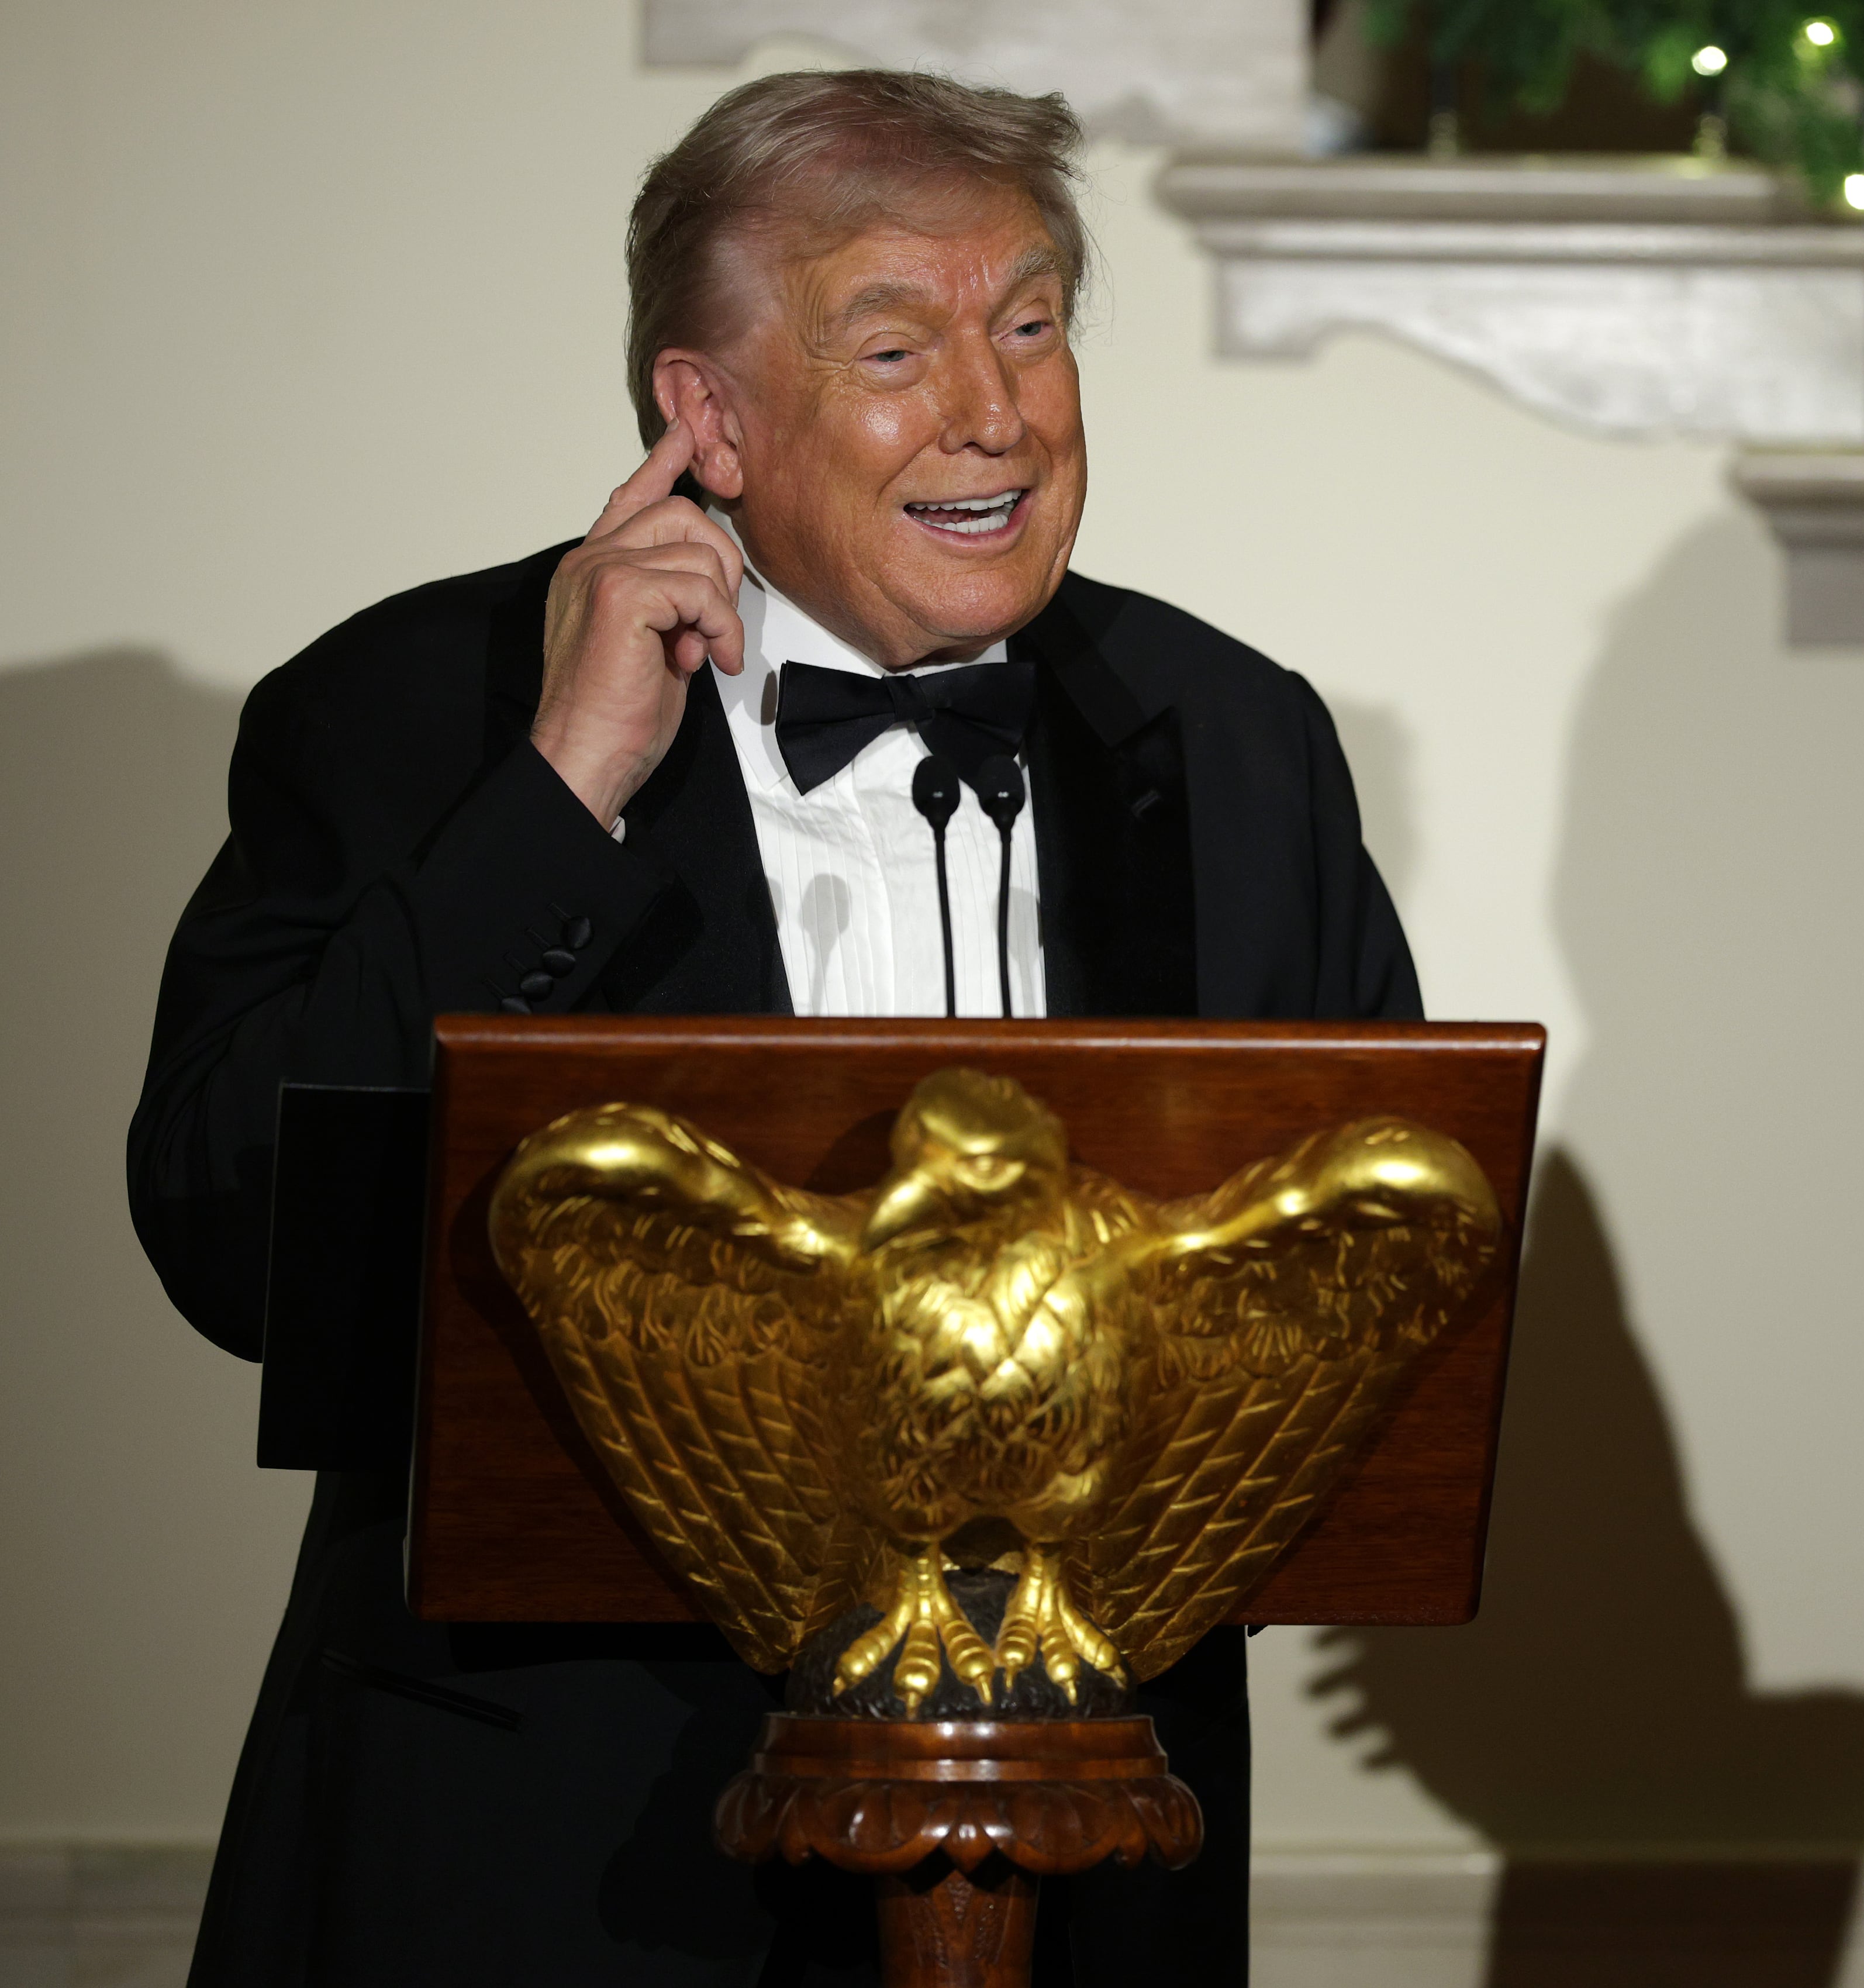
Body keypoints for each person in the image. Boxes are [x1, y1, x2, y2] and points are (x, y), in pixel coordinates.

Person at [127, 70, 1416, 1988]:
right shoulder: (416, 710)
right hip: (542, 1857)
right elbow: (240, 1233)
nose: (999, 411)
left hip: (1085, 1855)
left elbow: (1380, 1279)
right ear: (704, 415)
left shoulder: (1234, 739)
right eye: (898, 346)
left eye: (1036, 324)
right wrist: (557, 793)